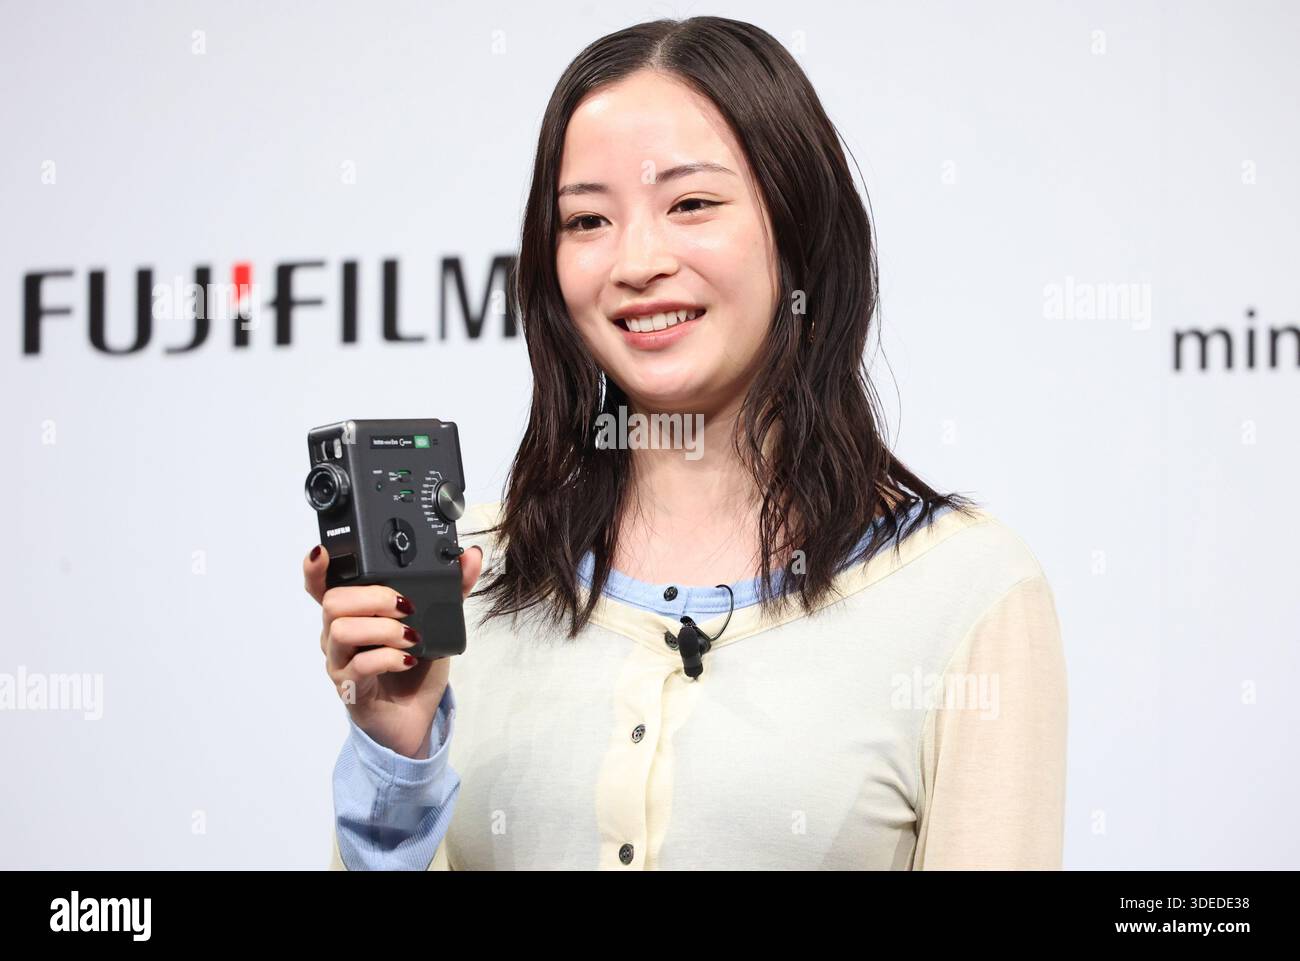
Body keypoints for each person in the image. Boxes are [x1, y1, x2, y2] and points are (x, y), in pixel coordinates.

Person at [305, 16, 1067, 871]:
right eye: (587, 220)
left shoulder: (964, 591)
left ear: (798, 227)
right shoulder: (467, 583)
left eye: (691, 204)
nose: (636, 260)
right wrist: (397, 756)